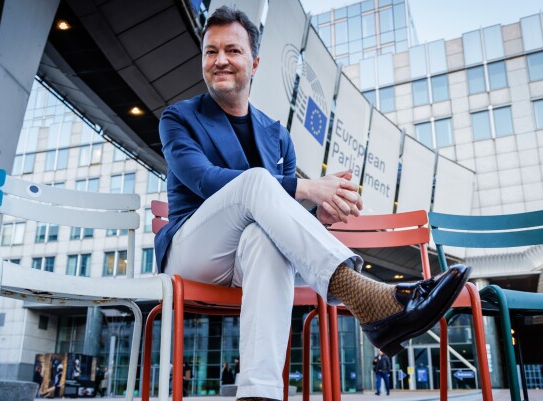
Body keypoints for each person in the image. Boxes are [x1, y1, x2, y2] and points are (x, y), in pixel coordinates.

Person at [154, 6, 471, 400]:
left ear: (254, 62)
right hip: (192, 254)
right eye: (210, 51)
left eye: (232, 51)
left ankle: (259, 393)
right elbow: (203, 180)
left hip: (249, 259)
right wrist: (307, 189)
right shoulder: (178, 118)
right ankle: (365, 297)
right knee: (256, 181)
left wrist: (315, 214)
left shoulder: (277, 135)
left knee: (265, 239)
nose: (220, 60)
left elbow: (277, 216)